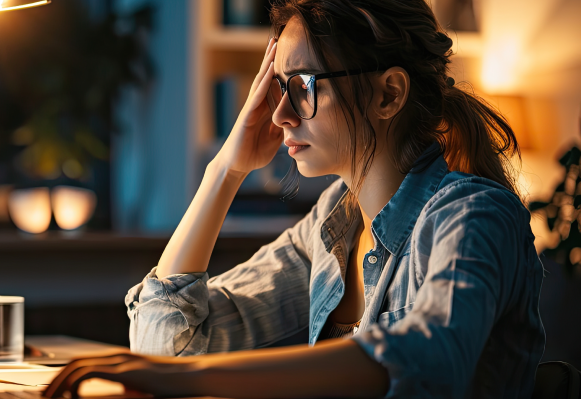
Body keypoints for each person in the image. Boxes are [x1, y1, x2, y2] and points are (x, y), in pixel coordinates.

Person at [42, 0, 545, 397]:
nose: (280, 112)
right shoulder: (332, 224)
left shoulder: (473, 215)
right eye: (278, 87)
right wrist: (225, 170)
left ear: (388, 94)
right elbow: (167, 345)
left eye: (302, 85)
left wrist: (194, 379)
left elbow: (432, 360)